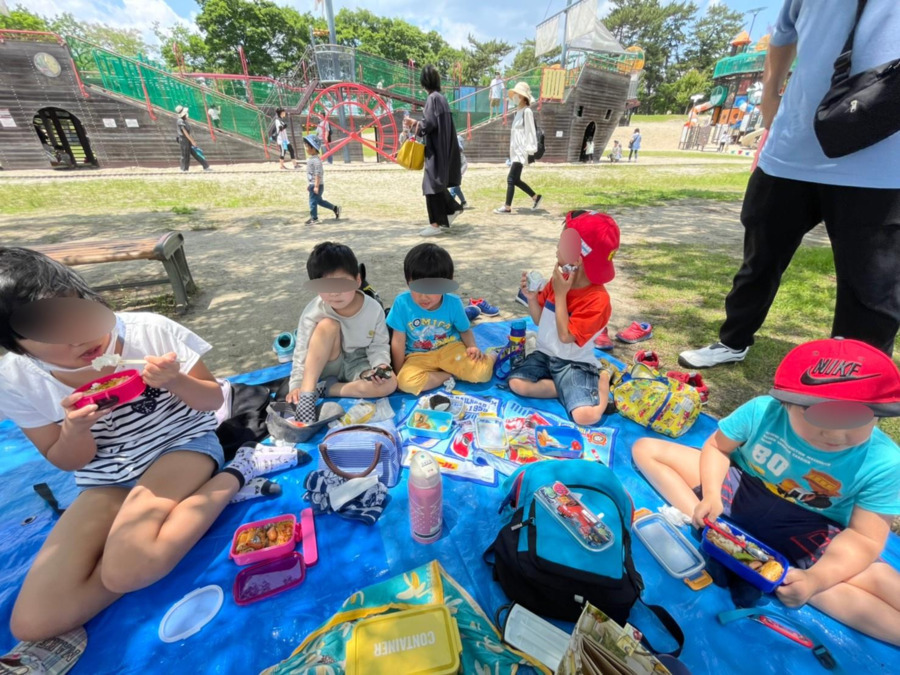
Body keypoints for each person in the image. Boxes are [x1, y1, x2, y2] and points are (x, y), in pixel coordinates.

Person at [0, 248, 301, 643]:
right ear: (18, 345)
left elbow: (213, 400)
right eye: (50, 330)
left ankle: (239, 469)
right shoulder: (18, 380)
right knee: (32, 624)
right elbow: (66, 459)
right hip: (105, 477)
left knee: (128, 567)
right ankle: (132, 553)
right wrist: (74, 431)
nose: (78, 336)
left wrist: (176, 380)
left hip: (181, 445)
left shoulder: (149, 332)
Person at [633, 338, 900, 646]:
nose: (836, 433)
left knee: (874, 583)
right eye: (818, 415)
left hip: (808, 533)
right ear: (785, 402)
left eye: (857, 417)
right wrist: (709, 498)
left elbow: (865, 537)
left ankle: (787, 571)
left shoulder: (884, 461)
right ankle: (709, 526)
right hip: (738, 493)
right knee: (647, 449)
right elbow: (718, 448)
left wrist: (816, 579)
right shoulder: (762, 411)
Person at [678, 0, 900, 369]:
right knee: (759, 259)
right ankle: (732, 341)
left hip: (878, 164)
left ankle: (854, 383)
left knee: (870, 289)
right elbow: (782, 37)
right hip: (790, 150)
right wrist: (770, 98)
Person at [509, 212, 620, 426]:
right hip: (545, 355)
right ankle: (569, 391)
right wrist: (532, 299)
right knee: (517, 383)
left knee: (586, 417)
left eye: (561, 245)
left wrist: (561, 295)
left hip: (573, 364)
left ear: (576, 258)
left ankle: (602, 377)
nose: (556, 250)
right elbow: (541, 321)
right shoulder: (557, 281)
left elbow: (565, 336)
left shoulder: (597, 300)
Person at [285, 242, 396, 422]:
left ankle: (328, 389)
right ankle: (308, 392)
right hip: (328, 363)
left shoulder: (373, 308)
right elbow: (302, 349)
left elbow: (379, 345)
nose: (334, 293)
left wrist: (381, 366)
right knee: (328, 325)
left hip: (359, 364)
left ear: (357, 280)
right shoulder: (314, 310)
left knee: (390, 384)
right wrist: (297, 384)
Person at [388, 243, 494, 395]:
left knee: (482, 373)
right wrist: (398, 373)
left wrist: (472, 346)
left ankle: (493, 355)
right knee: (406, 383)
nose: (424, 296)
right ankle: (450, 374)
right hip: (418, 356)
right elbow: (398, 341)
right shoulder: (402, 303)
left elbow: (465, 330)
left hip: (450, 350)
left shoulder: (454, 302)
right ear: (407, 282)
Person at [413, 65, 463, 237]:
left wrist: (414, 125)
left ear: (423, 82)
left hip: (435, 150)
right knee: (435, 184)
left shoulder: (431, 99)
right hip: (445, 148)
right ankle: (452, 209)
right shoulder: (441, 98)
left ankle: (435, 224)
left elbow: (429, 124)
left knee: (430, 186)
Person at [493, 82, 542, 214]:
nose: (514, 97)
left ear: (523, 97)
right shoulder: (518, 113)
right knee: (516, 180)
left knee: (510, 179)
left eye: (517, 95)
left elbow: (531, 131)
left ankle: (507, 207)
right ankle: (536, 197)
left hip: (522, 152)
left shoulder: (527, 112)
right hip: (515, 152)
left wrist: (530, 151)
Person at [303, 134, 341, 225]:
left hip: (317, 185)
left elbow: (317, 174)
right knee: (319, 201)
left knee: (312, 201)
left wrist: (315, 186)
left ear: (313, 148)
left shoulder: (316, 160)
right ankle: (335, 208)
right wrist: (310, 185)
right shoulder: (312, 159)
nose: (306, 148)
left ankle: (314, 218)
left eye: (307, 146)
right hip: (313, 184)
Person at [174, 105, 210, 172]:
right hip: (184, 140)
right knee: (185, 155)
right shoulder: (180, 121)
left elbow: (188, 133)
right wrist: (192, 141)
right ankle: (184, 169)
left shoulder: (184, 121)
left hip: (187, 140)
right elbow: (185, 133)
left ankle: (206, 166)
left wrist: (191, 140)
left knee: (196, 153)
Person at [449, 134, 469, 209]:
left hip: (461, 166)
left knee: (453, 185)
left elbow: (460, 148)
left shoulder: (456, 138)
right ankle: (463, 202)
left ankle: (450, 204)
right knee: (456, 187)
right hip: (457, 166)